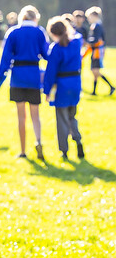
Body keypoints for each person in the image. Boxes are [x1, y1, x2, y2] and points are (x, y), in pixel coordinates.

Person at [0, 5, 49, 159]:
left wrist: (0, 75)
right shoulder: (39, 32)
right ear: (35, 18)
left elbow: (5, 56)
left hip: (17, 77)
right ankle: (38, 141)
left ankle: (23, 150)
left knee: (21, 116)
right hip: (33, 76)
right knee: (35, 114)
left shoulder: (13, 32)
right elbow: (46, 54)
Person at [43, 17, 84, 159]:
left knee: (61, 119)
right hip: (75, 83)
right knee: (72, 116)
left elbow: (50, 72)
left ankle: (64, 150)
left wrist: (47, 91)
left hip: (62, 84)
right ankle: (78, 140)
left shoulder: (56, 48)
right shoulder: (76, 42)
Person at [83, 7, 115, 95]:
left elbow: (96, 40)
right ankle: (94, 91)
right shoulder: (96, 26)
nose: (88, 19)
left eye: (89, 17)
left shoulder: (97, 26)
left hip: (97, 52)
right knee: (95, 72)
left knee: (95, 71)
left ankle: (111, 87)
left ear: (94, 16)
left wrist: (87, 42)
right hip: (96, 51)